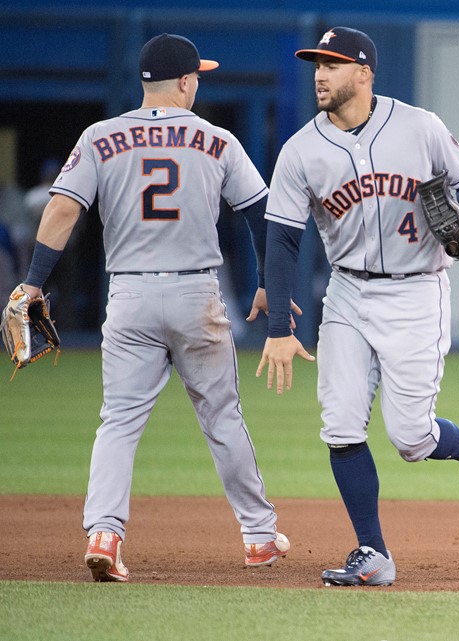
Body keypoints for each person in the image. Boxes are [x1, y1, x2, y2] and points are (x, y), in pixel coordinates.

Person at [11, 33, 289, 582]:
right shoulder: (217, 139)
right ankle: (258, 537)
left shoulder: (100, 137)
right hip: (196, 297)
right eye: (198, 76)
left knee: (118, 422)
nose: (199, 83)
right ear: (185, 82)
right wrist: (266, 286)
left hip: (131, 296)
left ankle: (105, 535)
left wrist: (33, 282)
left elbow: (63, 209)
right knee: (222, 418)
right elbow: (262, 216)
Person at [257, 26, 459, 587]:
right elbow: (282, 239)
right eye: (315, 64)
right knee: (340, 425)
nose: (319, 74)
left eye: (332, 63)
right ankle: (372, 552)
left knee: (412, 439)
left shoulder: (419, 127)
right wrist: (278, 325)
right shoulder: (302, 149)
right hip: (346, 292)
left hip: (418, 289)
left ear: (364, 72)